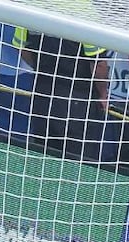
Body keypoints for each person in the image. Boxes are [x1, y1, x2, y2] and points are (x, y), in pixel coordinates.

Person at [13, 26, 117, 162]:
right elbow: (98, 64)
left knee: (43, 159)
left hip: (43, 96)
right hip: (78, 103)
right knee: (79, 166)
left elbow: (20, 47)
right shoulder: (87, 14)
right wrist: (103, 94)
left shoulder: (30, 6)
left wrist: (42, 70)